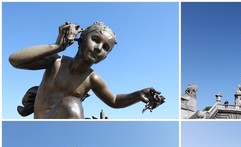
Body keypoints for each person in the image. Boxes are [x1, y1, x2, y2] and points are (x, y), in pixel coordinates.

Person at [9, 22, 163, 119]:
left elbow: (114, 100)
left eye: (105, 48)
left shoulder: (92, 79)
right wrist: (57, 46)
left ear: (105, 57)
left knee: (72, 105)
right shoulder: (56, 61)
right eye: (95, 40)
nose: (99, 48)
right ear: (81, 39)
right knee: (71, 104)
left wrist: (137, 95)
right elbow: (15, 60)